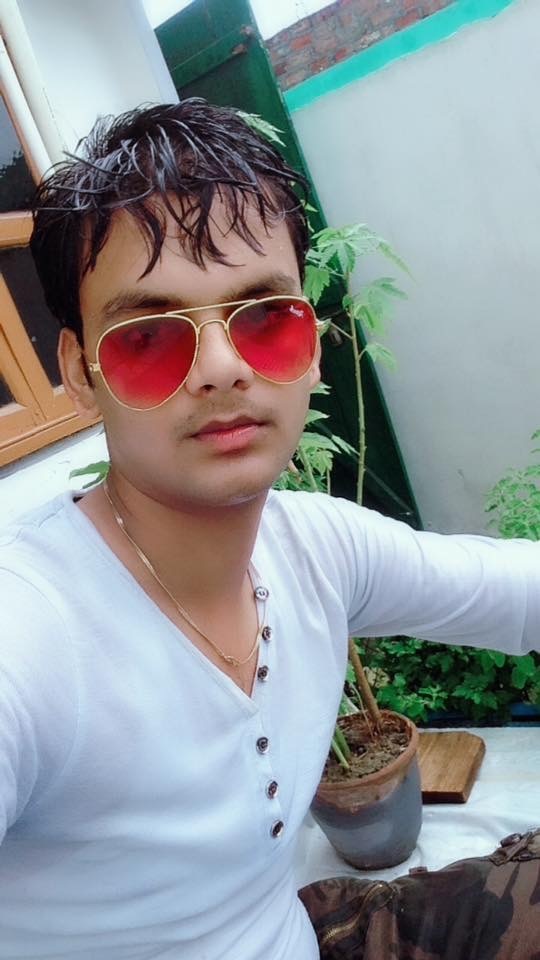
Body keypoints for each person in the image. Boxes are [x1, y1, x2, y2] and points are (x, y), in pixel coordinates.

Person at [0, 98, 538, 960]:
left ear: (312, 347)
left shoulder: (313, 547)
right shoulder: (30, 635)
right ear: (80, 374)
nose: (221, 368)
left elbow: (514, 591)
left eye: (262, 319)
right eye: (149, 336)